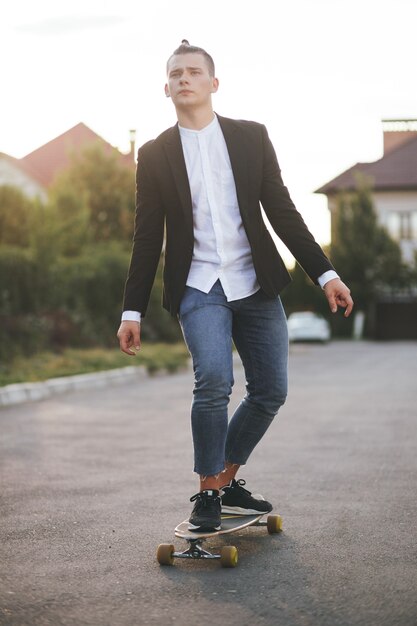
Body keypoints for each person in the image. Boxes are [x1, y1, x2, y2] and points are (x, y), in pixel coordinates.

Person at [117, 40, 353, 532]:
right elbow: (146, 236)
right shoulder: (156, 154)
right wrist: (131, 311)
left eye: (194, 72)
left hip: (255, 283)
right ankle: (208, 494)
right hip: (199, 285)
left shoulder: (251, 138)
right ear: (166, 88)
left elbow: (283, 212)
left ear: (213, 83)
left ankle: (226, 478)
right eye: (176, 74)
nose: (185, 79)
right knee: (215, 381)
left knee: (270, 389)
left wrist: (325, 273)